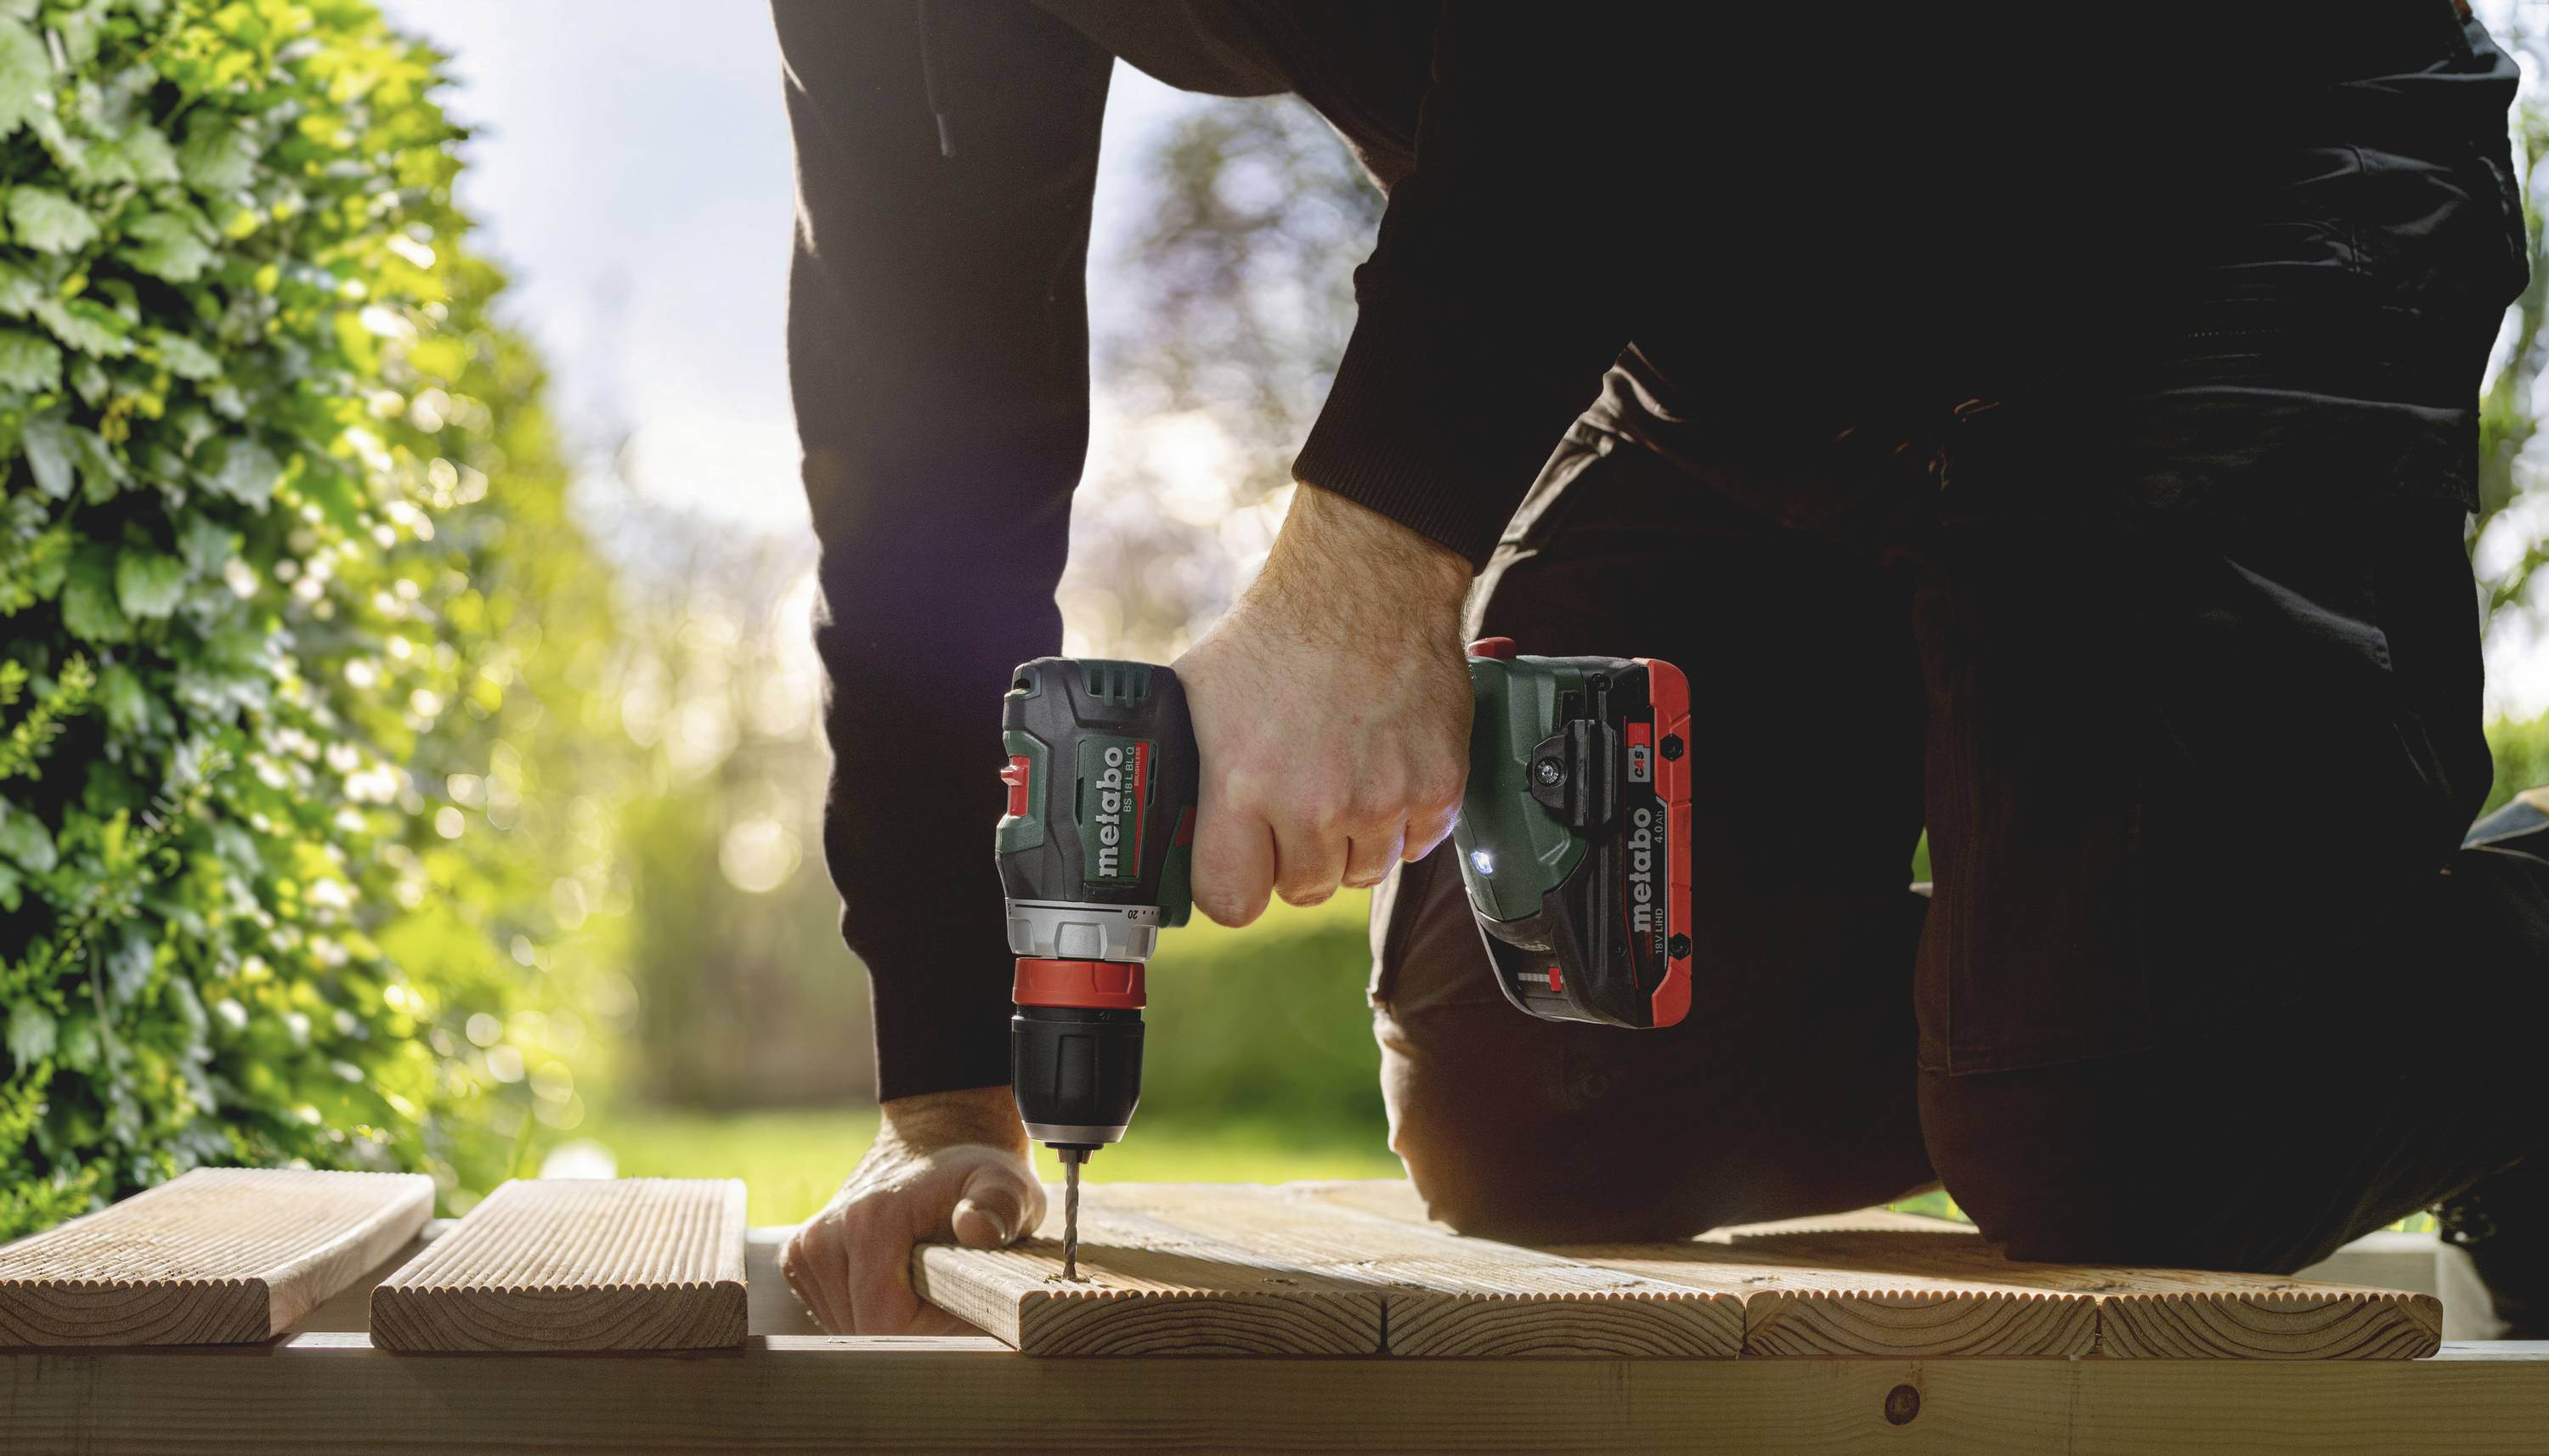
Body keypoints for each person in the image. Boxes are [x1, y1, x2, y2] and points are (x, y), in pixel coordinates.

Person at [768, 1, 2549, 1338]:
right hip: (1734, 344)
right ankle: (2142, 998)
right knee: (1552, 1069)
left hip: (2203, 185)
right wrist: (945, 1087)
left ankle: (2251, 1020)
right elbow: (919, 441)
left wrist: (1369, 566)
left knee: (2135, 1131)